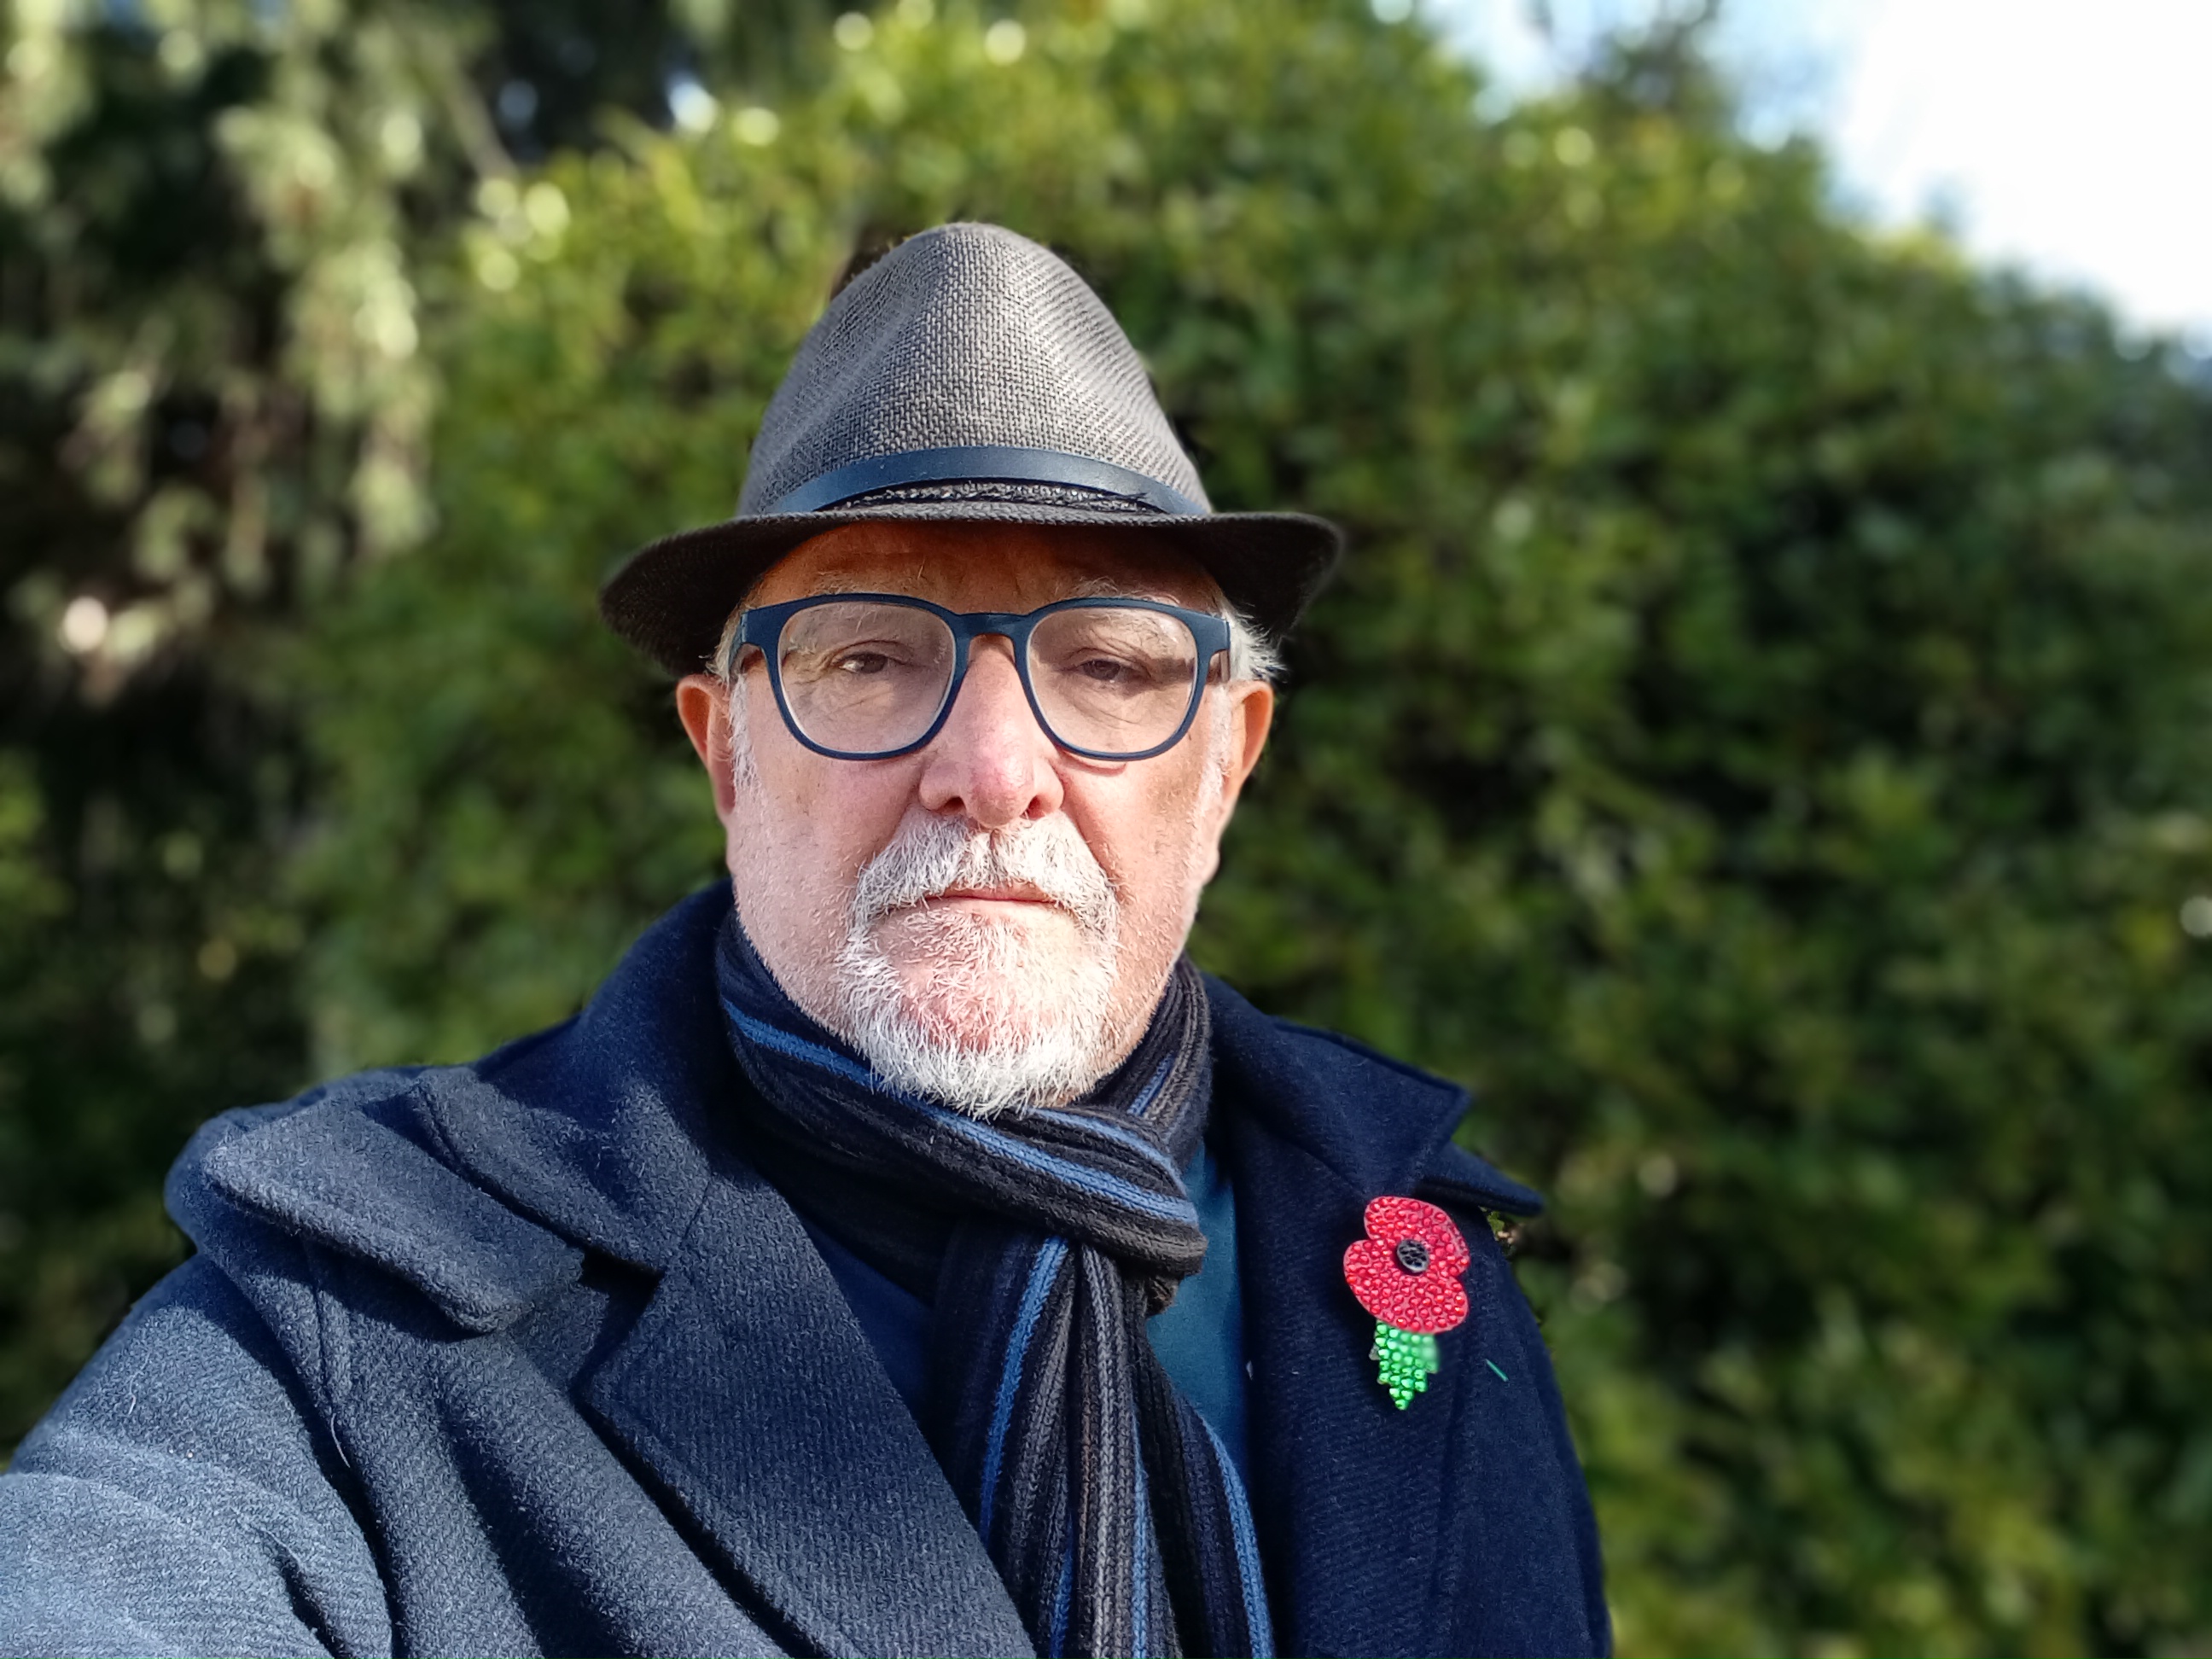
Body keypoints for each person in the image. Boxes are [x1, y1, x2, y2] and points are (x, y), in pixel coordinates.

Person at [0, 224, 1610, 1658]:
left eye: (1113, 666)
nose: (993, 771)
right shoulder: (363, 1304)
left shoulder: (1421, 1243)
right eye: (869, 659)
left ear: (1228, 763)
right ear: (724, 750)